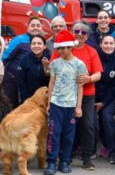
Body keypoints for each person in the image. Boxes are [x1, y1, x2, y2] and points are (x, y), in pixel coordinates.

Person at [51, 20, 103, 170]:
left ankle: (87, 157)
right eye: (77, 31)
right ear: (72, 33)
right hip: (64, 95)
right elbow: (52, 71)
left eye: (83, 32)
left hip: (86, 94)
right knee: (62, 128)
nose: (79, 34)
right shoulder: (61, 48)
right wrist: (46, 68)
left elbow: (98, 74)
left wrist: (89, 78)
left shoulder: (92, 51)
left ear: (87, 36)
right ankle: (64, 157)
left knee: (87, 125)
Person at [44, 30, 88, 175]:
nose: (60, 51)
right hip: (56, 104)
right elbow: (51, 83)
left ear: (71, 47)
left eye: (63, 48)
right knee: (53, 134)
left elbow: (80, 86)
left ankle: (64, 161)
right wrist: (49, 103)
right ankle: (51, 162)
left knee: (68, 136)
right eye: (58, 48)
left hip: (71, 106)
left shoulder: (79, 64)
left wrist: (79, 106)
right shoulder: (55, 63)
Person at [94, 35, 115, 164]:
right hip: (92, 96)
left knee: (107, 117)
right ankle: (85, 149)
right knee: (90, 121)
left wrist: (103, 103)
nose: (108, 46)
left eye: (111, 43)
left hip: (108, 98)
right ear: (100, 44)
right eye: (105, 43)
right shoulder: (94, 57)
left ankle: (113, 151)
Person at [2, 17, 44, 107]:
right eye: (32, 25)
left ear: (41, 28)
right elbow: (5, 58)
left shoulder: (42, 42)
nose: (35, 28)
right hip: (13, 83)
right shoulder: (18, 40)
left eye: (38, 25)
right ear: (27, 27)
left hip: (30, 84)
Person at [16, 35, 51, 103]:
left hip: (46, 97)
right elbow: (20, 80)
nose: (36, 46)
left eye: (39, 43)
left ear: (44, 46)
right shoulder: (24, 59)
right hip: (29, 98)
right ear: (30, 46)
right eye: (33, 43)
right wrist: (28, 98)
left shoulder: (50, 59)